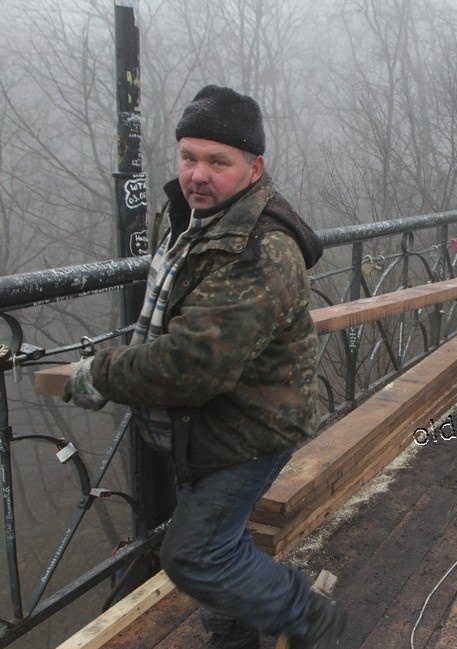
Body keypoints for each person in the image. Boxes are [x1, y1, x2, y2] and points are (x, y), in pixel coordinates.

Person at [62, 85, 345, 649]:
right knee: (223, 537)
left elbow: (196, 364)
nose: (198, 174)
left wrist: (102, 371)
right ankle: (233, 634)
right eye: (189, 157)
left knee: (193, 552)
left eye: (219, 162)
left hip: (251, 426)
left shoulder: (259, 246)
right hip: (209, 422)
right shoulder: (194, 220)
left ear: (253, 167)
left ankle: (308, 615)